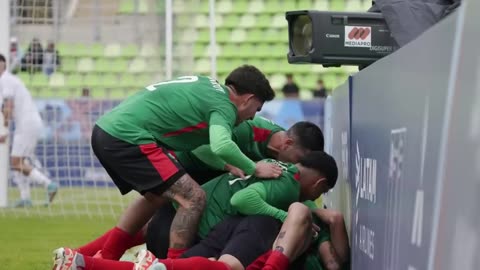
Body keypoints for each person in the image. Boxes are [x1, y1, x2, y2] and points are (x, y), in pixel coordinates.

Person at [53, 65, 280, 266]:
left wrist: (226, 165)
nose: (252, 117)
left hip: (108, 130)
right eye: (256, 109)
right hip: (129, 138)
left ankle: (98, 258)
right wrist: (254, 168)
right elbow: (221, 144)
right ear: (248, 99)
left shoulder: (207, 87)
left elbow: (200, 147)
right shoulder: (224, 107)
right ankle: (173, 265)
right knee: (194, 198)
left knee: (157, 197)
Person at [51, 151, 338, 270]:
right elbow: (335, 258)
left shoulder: (269, 162)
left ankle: (82, 262)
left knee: (167, 265)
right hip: (245, 226)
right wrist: (309, 216)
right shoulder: (293, 196)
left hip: (211, 224)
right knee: (225, 267)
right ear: (320, 183)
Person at [176, 117, 325, 184]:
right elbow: (198, 146)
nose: (298, 165)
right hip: (184, 162)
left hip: (213, 173)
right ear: (288, 143)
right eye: (299, 159)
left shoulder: (281, 150)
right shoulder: (246, 129)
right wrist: (236, 166)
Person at [0, 54, 58, 207]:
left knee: (16, 162)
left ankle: (49, 184)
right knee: (20, 161)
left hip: (26, 124)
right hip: (27, 123)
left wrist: (4, 130)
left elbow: (8, 107)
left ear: (3, 65)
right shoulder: (9, 80)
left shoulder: (5, 80)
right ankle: (25, 198)